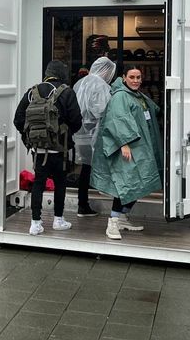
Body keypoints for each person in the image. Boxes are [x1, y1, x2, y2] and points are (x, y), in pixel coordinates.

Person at [91, 65, 163, 240]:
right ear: (124, 77)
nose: (136, 80)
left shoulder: (137, 95)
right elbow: (117, 119)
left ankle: (122, 217)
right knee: (126, 184)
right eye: (132, 77)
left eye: (138, 77)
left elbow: (153, 110)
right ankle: (113, 223)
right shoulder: (121, 96)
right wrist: (124, 144)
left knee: (139, 184)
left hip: (140, 148)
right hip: (129, 149)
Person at [14, 60, 83, 235]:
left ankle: (35, 223)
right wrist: (64, 133)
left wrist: (30, 136)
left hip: (39, 149)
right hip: (60, 149)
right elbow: (76, 121)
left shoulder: (32, 92)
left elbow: (18, 119)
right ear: (62, 74)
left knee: (38, 183)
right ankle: (58, 220)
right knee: (60, 183)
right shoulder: (67, 92)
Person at [71, 57, 117, 217]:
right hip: (96, 134)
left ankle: (82, 204)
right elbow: (103, 111)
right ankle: (116, 209)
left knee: (86, 168)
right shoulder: (102, 86)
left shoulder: (80, 83)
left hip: (80, 135)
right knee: (104, 167)